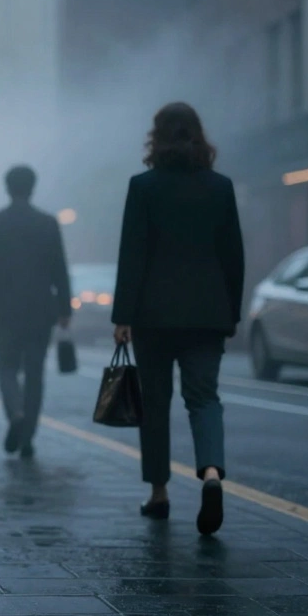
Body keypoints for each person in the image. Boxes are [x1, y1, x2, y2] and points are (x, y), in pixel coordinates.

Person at [111, 102, 243, 536]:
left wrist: (123, 316)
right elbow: (233, 256)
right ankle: (209, 474)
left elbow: (132, 254)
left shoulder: (144, 187)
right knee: (204, 398)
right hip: (207, 314)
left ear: (157, 138)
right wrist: (231, 313)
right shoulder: (220, 187)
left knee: (156, 404)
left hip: (153, 315)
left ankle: (160, 494)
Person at [0, 165, 71, 459]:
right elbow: (60, 270)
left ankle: (15, 412)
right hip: (40, 308)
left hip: (3, 307)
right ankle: (28, 435)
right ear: (33, 187)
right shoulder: (48, 223)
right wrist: (65, 308)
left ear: (7, 187)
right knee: (35, 373)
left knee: (6, 365)